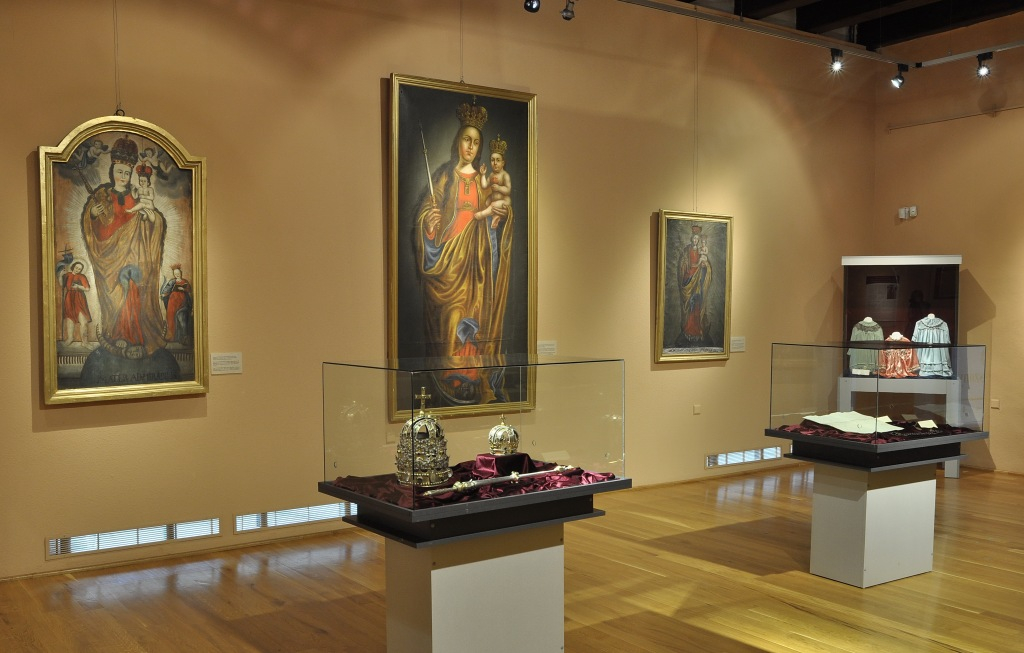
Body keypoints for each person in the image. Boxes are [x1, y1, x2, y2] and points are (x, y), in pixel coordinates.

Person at [415, 101, 512, 404]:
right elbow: (428, 210)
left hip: (477, 264)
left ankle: (470, 378)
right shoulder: (445, 177)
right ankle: (451, 378)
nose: (470, 146)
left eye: (476, 142)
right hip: (449, 263)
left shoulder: (483, 183)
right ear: (458, 142)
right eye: (466, 139)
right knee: (451, 319)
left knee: (474, 320)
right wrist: (429, 225)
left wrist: (501, 215)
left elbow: (498, 212)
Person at [80, 135, 167, 360]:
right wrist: (92, 214)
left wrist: (152, 219)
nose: (123, 177)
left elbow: (153, 220)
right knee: (116, 295)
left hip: (134, 255)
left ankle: (135, 336)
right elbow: (90, 225)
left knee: (133, 292)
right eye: (119, 172)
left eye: (127, 173)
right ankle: (116, 334)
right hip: (108, 258)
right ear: (112, 172)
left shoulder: (136, 196)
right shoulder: (101, 195)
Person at [676, 224, 712, 346]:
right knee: (689, 306)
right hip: (688, 281)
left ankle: (698, 331)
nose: (695, 240)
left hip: (698, 282)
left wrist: (704, 267)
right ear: (692, 239)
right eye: (694, 238)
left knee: (697, 305)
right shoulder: (686, 250)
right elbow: (682, 265)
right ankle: (688, 331)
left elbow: (707, 267)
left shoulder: (702, 251)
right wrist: (687, 267)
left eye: (697, 239)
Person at [479, 134, 511, 228]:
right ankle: (495, 218)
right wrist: (483, 174)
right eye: (492, 160)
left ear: (503, 163)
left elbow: (508, 190)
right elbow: (484, 185)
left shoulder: (505, 175)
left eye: (498, 160)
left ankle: (482, 214)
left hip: (504, 201)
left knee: (493, 204)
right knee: (486, 203)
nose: (495, 163)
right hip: (493, 199)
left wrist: (499, 188)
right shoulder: (491, 175)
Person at [161, 264, 193, 345]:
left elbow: (189, 290)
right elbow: (166, 290)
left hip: (182, 301)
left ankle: (182, 337)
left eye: (178, 273)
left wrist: (183, 289)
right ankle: (172, 336)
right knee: (170, 317)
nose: (177, 275)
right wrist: (164, 294)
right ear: (174, 274)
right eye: (175, 274)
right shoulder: (172, 281)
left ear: (180, 273)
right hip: (172, 302)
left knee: (181, 318)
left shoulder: (185, 281)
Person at [61, 261, 92, 345]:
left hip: (79, 298)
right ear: (73, 266)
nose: (77, 269)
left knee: (83, 321)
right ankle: (70, 338)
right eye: (76, 267)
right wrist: (61, 275)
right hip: (69, 298)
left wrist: (78, 286)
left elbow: (87, 288)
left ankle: (84, 342)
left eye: (79, 269)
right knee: (70, 319)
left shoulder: (82, 276)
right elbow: (62, 285)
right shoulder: (67, 275)